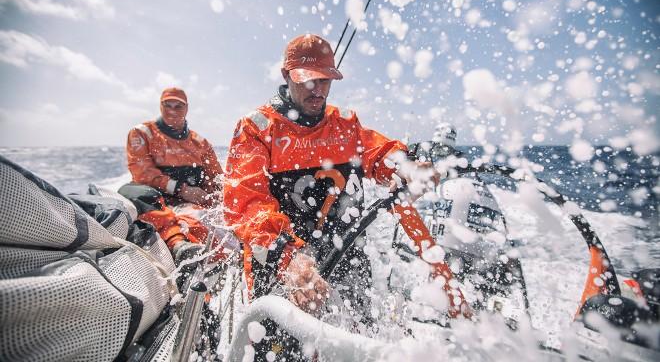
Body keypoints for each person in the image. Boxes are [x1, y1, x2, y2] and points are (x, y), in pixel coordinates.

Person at [223, 34, 441, 357]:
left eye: (325, 80)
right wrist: (287, 257)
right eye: (308, 80)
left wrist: (404, 166)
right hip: (282, 268)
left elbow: (378, 152)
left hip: (347, 259)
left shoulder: (345, 127)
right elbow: (245, 202)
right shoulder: (257, 130)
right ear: (286, 76)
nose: (318, 89)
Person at [120, 87, 224, 261]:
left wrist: (214, 196)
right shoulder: (142, 133)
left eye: (178, 106)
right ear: (160, 106)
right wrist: (182, 190)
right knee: (130, 191)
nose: (172, 111)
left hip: (191, 206)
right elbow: (142, 173)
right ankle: (177, 244)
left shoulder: (201, 144)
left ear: (187, 108)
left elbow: (216, 178)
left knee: (212, 221)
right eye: (167, 105)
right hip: (155, 202)